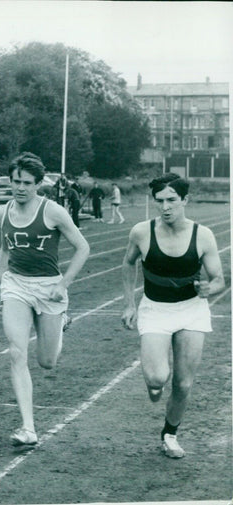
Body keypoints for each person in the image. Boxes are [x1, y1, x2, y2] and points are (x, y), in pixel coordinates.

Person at [0, 152, 89, 446]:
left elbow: (83, 248)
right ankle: (28, 428)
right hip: (15, 285)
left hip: (49, 288)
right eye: (16, 181)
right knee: (16, 352)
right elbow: (5, 251)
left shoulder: (52, 212)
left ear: (39, 184)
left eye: (27, 183)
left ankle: (61, 320)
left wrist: (63, 284)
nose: (20, 188)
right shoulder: (4, 212)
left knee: (47, 361)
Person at [121, 173, 224, 459]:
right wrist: (129, 304)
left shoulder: (202, 235)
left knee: (183, 383)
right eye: (159, 201)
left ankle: (169, 434)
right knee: (156, 379)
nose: (165, 207)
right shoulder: (141, 232)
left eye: (171, 200)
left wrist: (209, 287)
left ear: (185, 200)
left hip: (191, 311)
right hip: (155, 310)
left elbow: (219, 279)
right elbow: (128, 263)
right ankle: (154, 386)